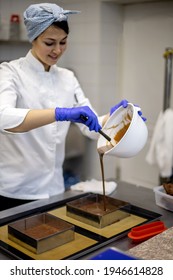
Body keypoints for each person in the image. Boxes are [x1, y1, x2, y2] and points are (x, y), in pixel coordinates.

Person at [0, 3, 145, 210]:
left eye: (63, 42)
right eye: (49, 43)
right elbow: (3, 118)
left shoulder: (67, 77)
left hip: (54, 189)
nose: (57, 50)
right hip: (16, 191)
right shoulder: (10, 72)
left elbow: (90, 126)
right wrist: (59, 114)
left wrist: (120, 118)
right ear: (33, 38)